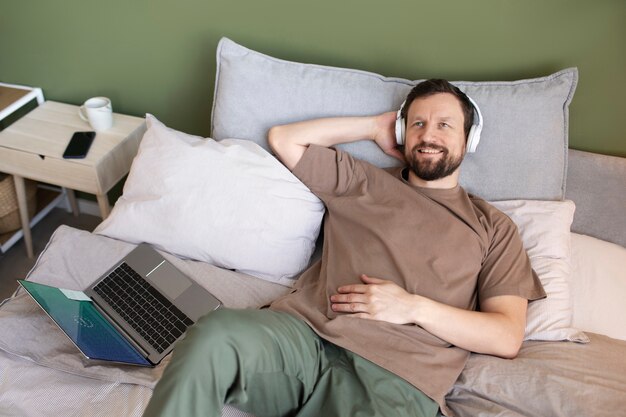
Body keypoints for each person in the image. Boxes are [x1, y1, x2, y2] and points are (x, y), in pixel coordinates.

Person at [143, 79, 546, 417]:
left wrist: (412, 307)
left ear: (468, 139)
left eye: (445, 125)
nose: (428, 135)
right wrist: (373, 127)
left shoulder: (492, 227)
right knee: (214, 333)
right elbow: (284, 140)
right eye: (417, 123)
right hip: (303, 338)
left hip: (396, 376)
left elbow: (506, 336)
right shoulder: (363, 181)